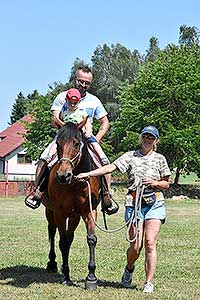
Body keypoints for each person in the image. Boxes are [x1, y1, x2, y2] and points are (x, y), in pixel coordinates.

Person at [77, 125, 171, 294]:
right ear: (141, 138)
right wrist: (89, 174)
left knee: (150, 243)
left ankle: (148, 282)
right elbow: (110, 167)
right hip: (133, 203)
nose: (147, 140)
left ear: (155, 141)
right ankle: (129, 268)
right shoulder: (130, 156)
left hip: (154, 203)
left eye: (151, 137)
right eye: (145, 136)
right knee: (136, 246)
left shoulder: (160, 159)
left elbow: (166, 183)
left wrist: (155, 183)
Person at [25, 65, 117, 214]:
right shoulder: (62, 97)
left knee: (104, 162)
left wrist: (96, 139)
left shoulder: (94, 101)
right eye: (81, 81)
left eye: (87, 82)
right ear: (75, 79)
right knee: (44, 159)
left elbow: (105, 122)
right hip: (64, 140)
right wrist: (63, 126)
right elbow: (53, 119)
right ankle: (37, 193)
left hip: (86, 139)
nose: (83, 85)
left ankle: (106, 196)